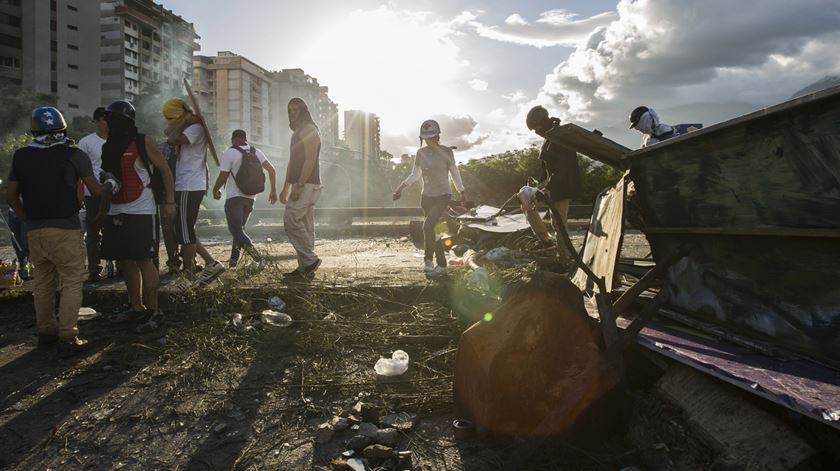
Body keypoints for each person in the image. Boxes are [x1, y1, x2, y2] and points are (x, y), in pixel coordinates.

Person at [5, 106, 115, 357]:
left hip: (35, 231)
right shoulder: (73, 154)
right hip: (65, 228)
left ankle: (46, 332)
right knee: (71, 281)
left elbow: (11, 196)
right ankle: (68, 335)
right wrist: (110, 182)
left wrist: (27, 220)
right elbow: (96, 192)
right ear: (62, 127)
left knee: (42, 283)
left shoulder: (21, 156)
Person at [99, 100, 175, 333]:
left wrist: (169, 202)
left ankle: (154, 312)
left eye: (113, 119)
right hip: (116, 209)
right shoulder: (108, 146)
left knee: (144, 260)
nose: (109, 123)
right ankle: (136, 308)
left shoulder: (143, 142)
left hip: (142, 209)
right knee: (124, 260)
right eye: (108, 119)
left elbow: (165, 170)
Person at [163, 98, 224, 286]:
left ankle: (190, 274)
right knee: (185, 228)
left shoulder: (195, 129)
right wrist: (185, 120)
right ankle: (209, 263)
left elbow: (172, 138)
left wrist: (186, 121)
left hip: (189, 185)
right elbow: (168, 133)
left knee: (185, 231)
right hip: (188, 184)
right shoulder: (189, 125)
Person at [393, 119, 466, 277]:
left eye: (432, 137)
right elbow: (415, 175)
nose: (430, 141)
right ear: (423, 139)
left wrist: (461, 191)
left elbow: (454, 172)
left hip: (443, 196)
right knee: (436, 231)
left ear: (438, 136)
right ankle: (442, 264)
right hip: (426, 198)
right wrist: (400, 188)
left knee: (427, 226)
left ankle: (428, 261)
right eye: (427, 138)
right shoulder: (421, 153)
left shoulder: (447, 152)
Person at [525, 105, 583, 262]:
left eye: (536, 128)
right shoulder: (548, 138)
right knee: (526, 200)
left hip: (563, 187)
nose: (536, 132)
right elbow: (547, 170)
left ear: (542, 122)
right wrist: (536, 186)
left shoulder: (560, 136)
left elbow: (563, 168)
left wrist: (548, 188)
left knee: (559, 224)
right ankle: (547, 241)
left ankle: (565, 257)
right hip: (552, 184)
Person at [212, 129, 277, 267]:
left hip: (235, 198)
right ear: (245, 139)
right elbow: (272, 170)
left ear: (233, 139)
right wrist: (273, 191)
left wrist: (215, 189)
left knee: (236, 230)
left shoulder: (230, 152)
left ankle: (259, 259)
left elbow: (223, 175)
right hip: (250, 198)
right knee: (240, 229)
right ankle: (233, 262)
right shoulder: (256, 152)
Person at [280, 98, 323, 280]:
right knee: (305, 226)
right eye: (289, 110)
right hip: (302, 183)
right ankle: (305, 269)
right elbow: (293, 161)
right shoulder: (297, 132)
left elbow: (310, 160)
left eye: (295, 110)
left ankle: (310, 260)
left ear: (303, 111)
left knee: (290, 219)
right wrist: (285, 187)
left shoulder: (309, 130)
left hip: (308, 183)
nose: (292, 113)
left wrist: (299, 185)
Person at [77, 107, 108, 282]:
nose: (106, 123)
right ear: (96, 121)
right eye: (103, 119)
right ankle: (95, 269)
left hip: (116, 193)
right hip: (92, 193)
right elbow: (78, 171)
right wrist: (79, 193)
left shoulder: (119, 140)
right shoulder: (86, 142)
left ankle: (120, 265)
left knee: (115, 230)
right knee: (93, 231)